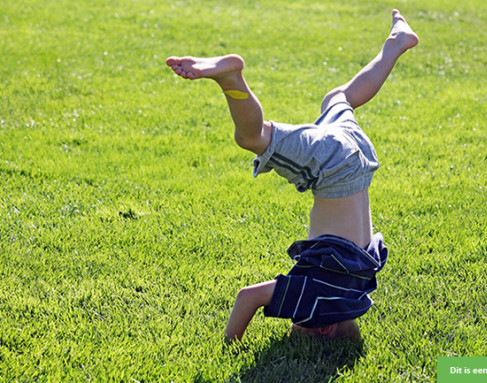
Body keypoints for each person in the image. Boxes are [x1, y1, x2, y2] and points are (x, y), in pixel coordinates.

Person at [166, 9, 418, 341]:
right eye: (294, 328)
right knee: (252, 138)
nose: (292, 323)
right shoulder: (318, 303)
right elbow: (248, 297)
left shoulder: (358, 287)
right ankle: (231, 78)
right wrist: (231, 345)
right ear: (325, 327)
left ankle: (396, 43)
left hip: (360, 158)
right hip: (334, 167)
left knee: (339, 98)